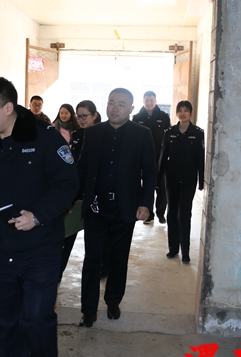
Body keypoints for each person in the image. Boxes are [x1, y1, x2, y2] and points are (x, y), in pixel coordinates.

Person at [0, 77, 78, 357]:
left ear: (7, 107)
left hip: (40, 247)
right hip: (2, 248)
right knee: (8, 319)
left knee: (37, 318)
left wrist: (38, 216)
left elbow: (67, 183)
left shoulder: (45, 138)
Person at [77, 88, 156, 328]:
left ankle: (113, 301)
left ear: (131, 109)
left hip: (125, 207)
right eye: (111, 102)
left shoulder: (142, 134)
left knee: (119, 258)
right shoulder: (93, 133)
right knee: (92, 259)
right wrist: (70, 199)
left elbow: (149, 172)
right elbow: (82, 168)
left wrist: (145, 204)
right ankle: (88, 310)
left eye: (121, 104)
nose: (115, 108)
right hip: (96, 206)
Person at [158, 101, 205, 263]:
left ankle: (185, 252)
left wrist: (201, 180)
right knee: (171, 213)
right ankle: (173, 249)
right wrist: (158, 179)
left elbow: (200, 159)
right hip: (171, 178)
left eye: (186, 110)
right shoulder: (169, 132)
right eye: (180, 110)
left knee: (184, 214)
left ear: (191, 113)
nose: (183, 113)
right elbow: (163, 157)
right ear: (177, 113)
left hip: (189, 180)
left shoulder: (198, 133)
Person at [59, 100, 100, 282]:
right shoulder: (75, 135)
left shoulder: (102, 134)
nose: (82, 119)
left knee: (95, 242)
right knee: (67, 235)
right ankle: (57, 272)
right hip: (75, 193)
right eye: (79, 116)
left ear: (94, 116)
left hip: (94, 193)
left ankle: (100, 270)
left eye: (85, 116)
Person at [132, 91, 171, 224]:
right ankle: (148, 214)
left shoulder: (164, 117)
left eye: (151, 100)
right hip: (142, 157)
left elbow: (168, 139)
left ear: (155, 101)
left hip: (160, 156)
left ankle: (160, 212)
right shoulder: (137, 118)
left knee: (161, 186)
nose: (149, 103)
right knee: (146, 185)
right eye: (147, 100)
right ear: (143, 101)